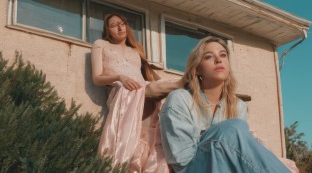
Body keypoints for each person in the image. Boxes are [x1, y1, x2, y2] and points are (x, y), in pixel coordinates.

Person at [159, 36, 292, 173]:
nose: (218, 60)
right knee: (232, 129)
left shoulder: (238, 105)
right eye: (208, 57)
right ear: (198, 69)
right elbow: (181, 161)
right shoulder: (180, 99)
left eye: (223, 55)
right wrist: (217, 143)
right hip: (192, 169)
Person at [91, 13, 182, 172]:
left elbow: (145, 76)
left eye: (122, 23)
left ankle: (185, 87)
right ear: (107, 31)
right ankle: (184, 83)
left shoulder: (136, 50)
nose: (120, 28)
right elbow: (97, 78)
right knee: (129, 148)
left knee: (147, 141)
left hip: (144, 95)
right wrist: (119, 77)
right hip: (122, 94)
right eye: (113, 25)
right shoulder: (101, 44)